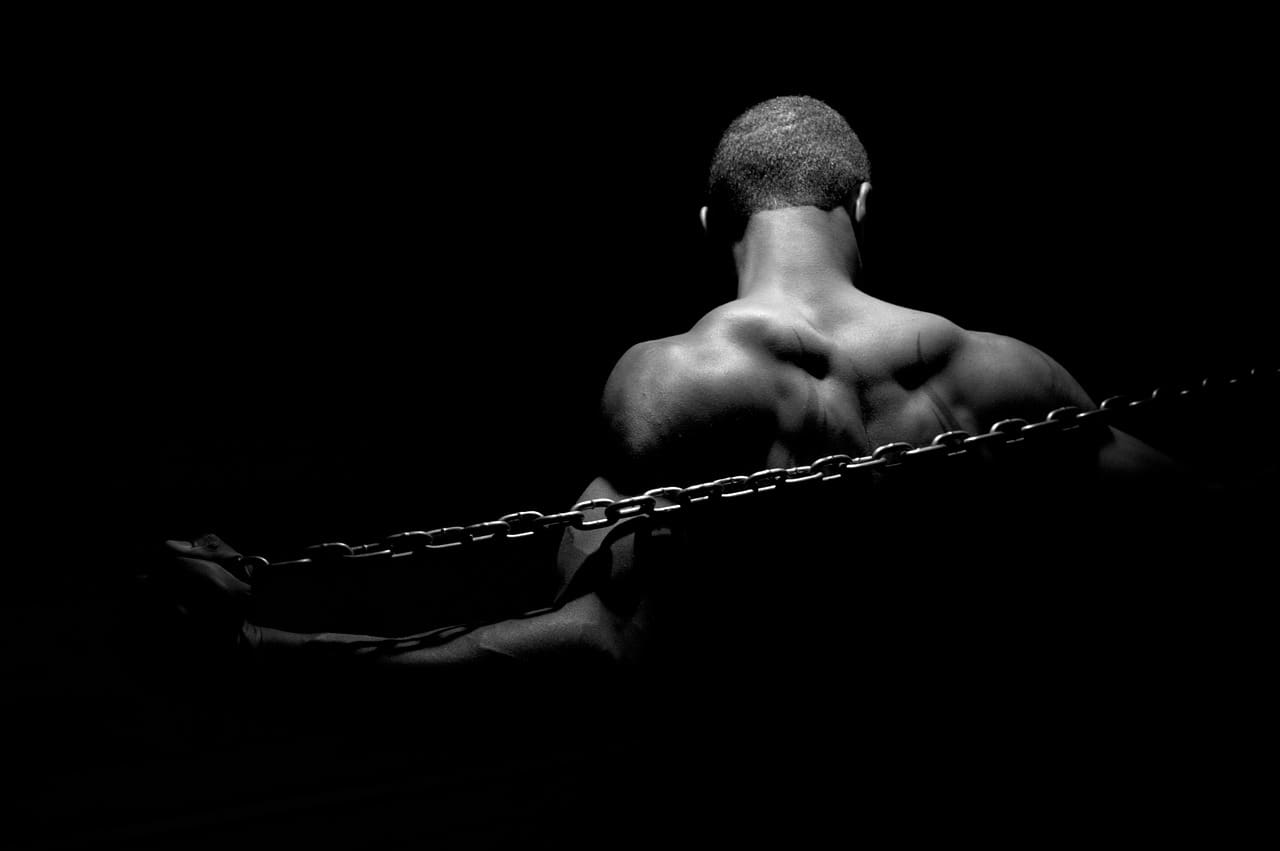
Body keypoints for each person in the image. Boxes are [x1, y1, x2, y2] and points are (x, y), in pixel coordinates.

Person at [156, 95, 1180, 683]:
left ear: (708, 222)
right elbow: (1195, 516)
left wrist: (259, 639)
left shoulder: (666, 382)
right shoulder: (1007, 371)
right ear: (862, 202)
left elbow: (586, 636)